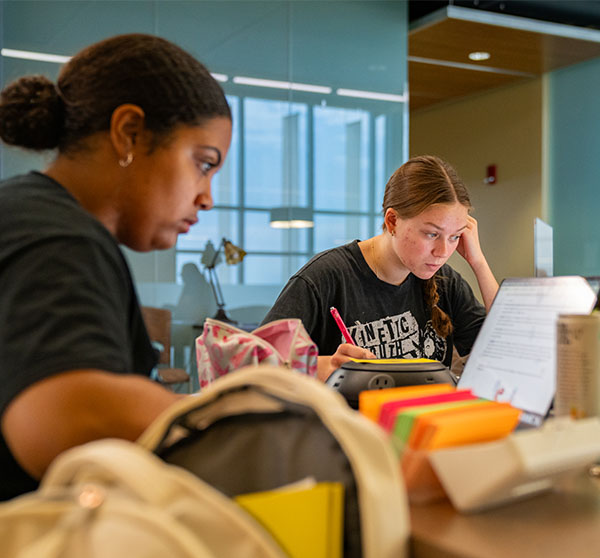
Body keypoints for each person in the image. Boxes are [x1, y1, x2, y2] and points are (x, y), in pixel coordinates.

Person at [0, 34, 232, 500]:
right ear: (129, 132)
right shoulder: (57, 235)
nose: (207, 197)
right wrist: (249, 421)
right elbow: (63, 415)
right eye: (203, 164)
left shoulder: (29, 213)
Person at [261, 155, 498, 381]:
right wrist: (323, 366)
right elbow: (255, 365)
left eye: (455, 237)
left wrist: (478, 262)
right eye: (431, 234)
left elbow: (508, 349)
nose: (443, 252)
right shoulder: (325, 278)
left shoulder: (445, 281)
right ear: (392, 221)